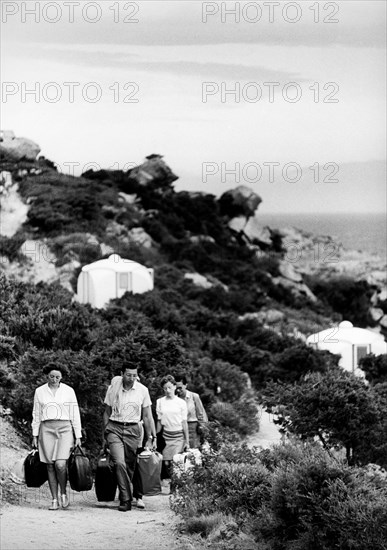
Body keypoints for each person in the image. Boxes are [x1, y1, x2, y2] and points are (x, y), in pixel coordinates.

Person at [103, 362, 156, 512]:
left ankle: (125, 493)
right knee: (119, 462)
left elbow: (147, 416)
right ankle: (125, 499)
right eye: (128, 375)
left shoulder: (142, 390)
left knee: (129, 465)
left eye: (134, 375)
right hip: (114, 427)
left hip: (133, 429)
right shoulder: (113, 388)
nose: (132, 378)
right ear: (122, 374)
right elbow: (107, 411)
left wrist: (151, 437)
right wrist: (105, 432)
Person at [32, 364, 82, 510]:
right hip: (46, 428)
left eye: (57, 377)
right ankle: (54, 498)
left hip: (65, 428)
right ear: (47, 376)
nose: (54, 379)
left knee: (60, 464)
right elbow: (36, 414)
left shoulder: (68, 391)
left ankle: (63, 492)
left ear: (62, 377)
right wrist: (35, 434)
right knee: (49, 465)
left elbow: (75, 413)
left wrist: (77, 434)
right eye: (52, 377)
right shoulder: (39, 391)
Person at [156, 375, 189, 480]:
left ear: (175, 386)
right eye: (165, 388)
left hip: (178, 436)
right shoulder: (160, 402)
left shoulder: (181, 403)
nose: (168, 390)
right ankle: (171, 482)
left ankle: (174, 485)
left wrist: (187, 441)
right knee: (166, 463)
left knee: (176, 461)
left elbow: (184, 422)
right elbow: (159, 421)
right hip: (166, 437)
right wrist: (155, 437)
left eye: (170, 387)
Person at [175, 374, 208, 449]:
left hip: (192, 429)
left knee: (193, 451)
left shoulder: (194, 396)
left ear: (185, 385)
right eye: (176, 388)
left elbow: (201, 413)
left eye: (180, 388)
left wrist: (203, 429)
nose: (178, 390)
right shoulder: (175, 399)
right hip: (179, 429)